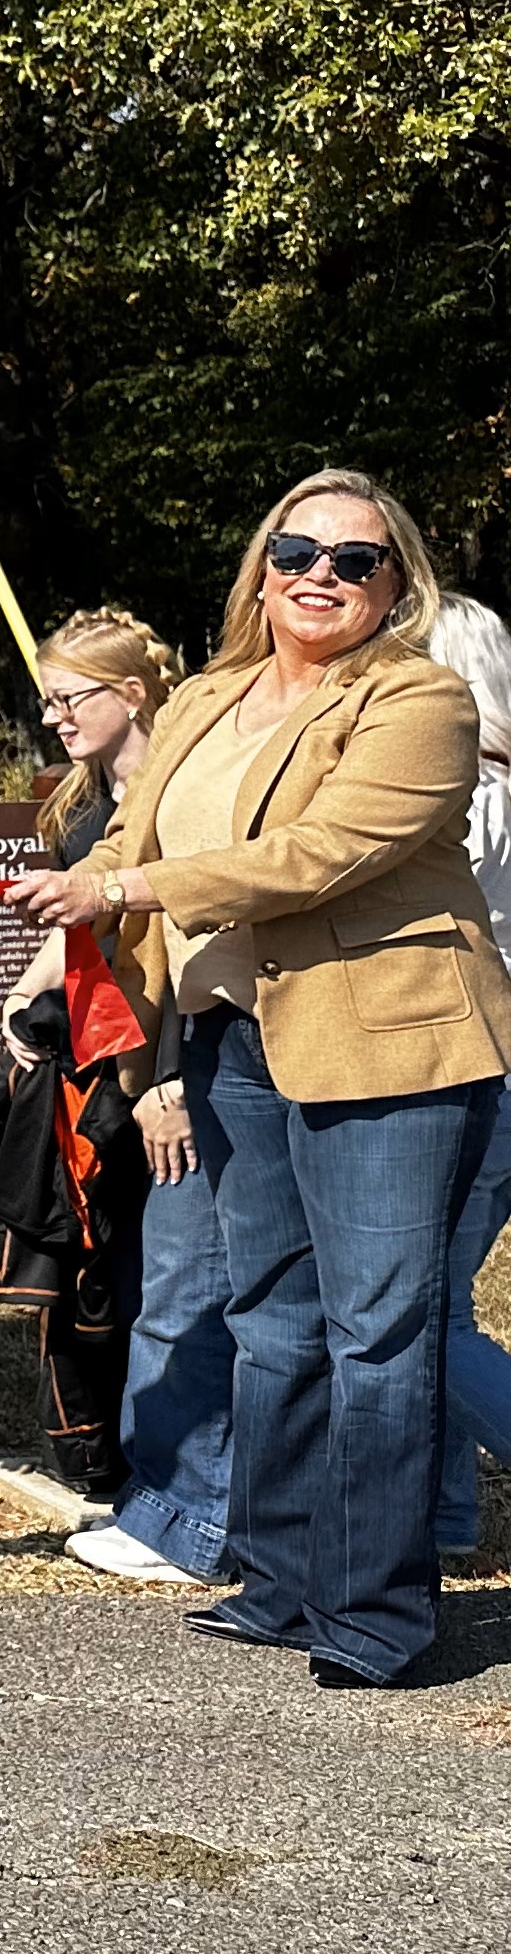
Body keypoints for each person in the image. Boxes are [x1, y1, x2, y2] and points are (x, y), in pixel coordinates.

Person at [9, 473, 511, 1689]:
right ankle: (280, 1582)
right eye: (297, 550)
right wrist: (101, 893)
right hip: (236, 1042)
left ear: (400, 587)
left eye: (357, 560)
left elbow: (322, 853)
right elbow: (133, 836)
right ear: (261, 566)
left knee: (379, 1334)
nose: (321, 575)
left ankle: (378, 1613)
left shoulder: (422, 701)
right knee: (270, 1324)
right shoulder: (206, 699)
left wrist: (123, 893)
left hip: (393, 1050)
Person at [0, 613, 201, 1570]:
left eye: (72, 697)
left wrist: (168, 1080)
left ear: (135, 693)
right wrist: (29, 989)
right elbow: (81, 908)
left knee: (173, 1282)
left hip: (161, 1059)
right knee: (98, 1272)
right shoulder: (85, 797)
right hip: (94, 1063)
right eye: (47, 700)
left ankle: (178, 1490)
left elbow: (193, 943)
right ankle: (108, 1461)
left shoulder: (181, 790)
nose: (55, 716)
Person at [427, 591, 511, 1570]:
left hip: (472, 1071)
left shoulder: (468, 806)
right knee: (443, 1301)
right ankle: (446, 1515)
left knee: (424, 1315)